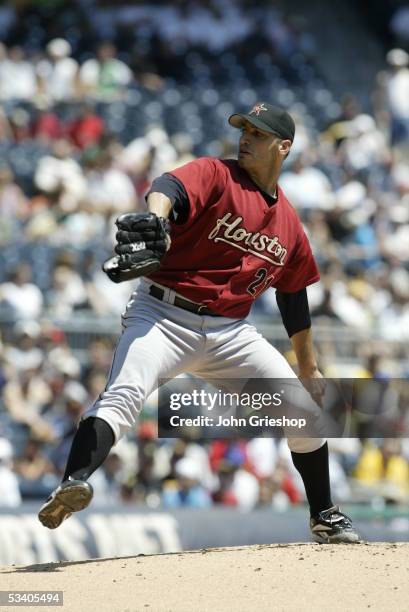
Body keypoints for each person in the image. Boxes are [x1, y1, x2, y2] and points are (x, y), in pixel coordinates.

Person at [38, 102, 361, 544]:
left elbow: (293, 295)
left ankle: (324, 515)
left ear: (283, 148)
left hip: (230, 334)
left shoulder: (289, 225)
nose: (246, 137)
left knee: (304, 411)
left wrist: (308, 365)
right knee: (125, 393)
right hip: (163, 315)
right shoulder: (217, 173)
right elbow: (167, 186)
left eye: (258, 134)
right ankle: (73, 481)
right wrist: (156, 217)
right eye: (244, 128)